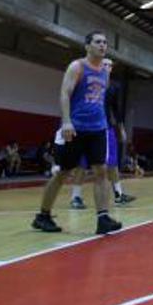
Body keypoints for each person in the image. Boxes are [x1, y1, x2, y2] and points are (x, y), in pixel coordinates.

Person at [31, 30, 123, 234]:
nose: (103, 45)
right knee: (63, 173)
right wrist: (66, 122)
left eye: (105, 42)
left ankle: (103, 218)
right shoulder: (77, 66)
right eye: (98, 42)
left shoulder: (104, 73)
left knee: (101, 171)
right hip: (76, 128)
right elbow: (65, 93)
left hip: (98, 128)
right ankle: (43, 215)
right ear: (87, 46)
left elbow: (99, 101)